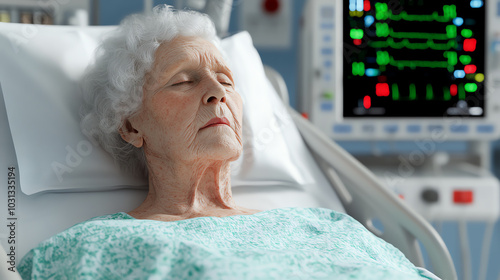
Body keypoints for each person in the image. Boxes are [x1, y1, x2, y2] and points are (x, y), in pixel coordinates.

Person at [18, 6, 439, 279]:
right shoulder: (94, 249)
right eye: (183, 81)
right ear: (131, 126)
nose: (216, 93)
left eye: (226, 80)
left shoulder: (326, 225)